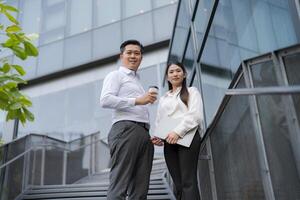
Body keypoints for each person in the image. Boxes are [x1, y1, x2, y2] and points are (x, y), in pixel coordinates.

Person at [100, 40, 157, 200]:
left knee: (140, 190)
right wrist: (137, 100)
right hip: (126, 129)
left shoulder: (137, 81)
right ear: (122, 56)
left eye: (137, 53)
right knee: (120, 185)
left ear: (141, 57)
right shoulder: (116, 75)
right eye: (129, 52)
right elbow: (105, 100)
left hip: (143, 133)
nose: (133, 56)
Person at [152, 62, 203, 200]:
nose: (175, 74)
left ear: (184, 74)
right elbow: (160, 120)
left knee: (188, 181)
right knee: (178, 183)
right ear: (167, 77)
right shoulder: (163, 99)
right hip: (169, 142)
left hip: (188, 138)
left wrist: (177, 132)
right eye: (171, 72)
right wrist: (158, 136)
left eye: (178, 71)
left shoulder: (192, 91)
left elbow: (195, 115)